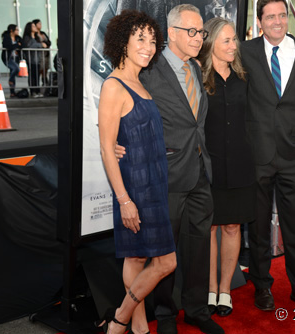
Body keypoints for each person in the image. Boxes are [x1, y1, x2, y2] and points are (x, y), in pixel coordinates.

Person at [118, 4, 224, 334]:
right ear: (173, 33)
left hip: (200, 173)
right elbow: (124, 104)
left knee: (197, 247)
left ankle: (195, 309)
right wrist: (116, 143)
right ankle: (165, 315)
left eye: (201, 32)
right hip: (166, 175)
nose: (198, 38)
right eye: (192, 32)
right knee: (165, 252)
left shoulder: (195, 68)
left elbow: (196, 122)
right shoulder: (148, 69)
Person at [240, 0, 295, 315]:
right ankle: (262, 285)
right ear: (259, 20)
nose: (277, 21)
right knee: (259, 227)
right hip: (257, 156)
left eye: (281, 15)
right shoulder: (244, 53)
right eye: (270, 16)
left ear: (288, 17)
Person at [97, 9, 177, 334]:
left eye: (152, 39)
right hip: (134, 188)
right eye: (140, 38)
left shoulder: (138, 81)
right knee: (165, 262)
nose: (148, 45)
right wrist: (124, 200)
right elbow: (106, 148)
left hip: (153, 184)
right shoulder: (114, 86)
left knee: (136, 261)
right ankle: (120, 319)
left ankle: (139, 329)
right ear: (123, 42)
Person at [197, 17, 255, 317]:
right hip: (209, 166)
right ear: (211, 44)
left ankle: (225, 290)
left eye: (235, 40)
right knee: (209, 229)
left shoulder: (244, 77)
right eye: (227, 41)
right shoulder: (196, 76)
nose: (234, 46)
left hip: (241, 164)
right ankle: (209, 289)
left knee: (233, 227)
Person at [22, 21, 46, 98]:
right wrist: (40, 45)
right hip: (31, 60)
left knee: (37, 76)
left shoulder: (37, 37)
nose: (35, 27)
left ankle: (37, 90)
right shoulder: (27, 37)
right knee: (32, 76)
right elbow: (29, 46)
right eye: (33, 26)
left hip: (38, 59)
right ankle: (33, 91)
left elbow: (45, 44)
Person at [1, 24, 22, 97]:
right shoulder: (6, 37)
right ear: (11, 30)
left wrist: (17, 45)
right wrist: (17, 45)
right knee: (16, 69)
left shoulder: (18, 38)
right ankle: (10, 80)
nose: (18, 31)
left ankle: (12, 92)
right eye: (16, 30)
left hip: (16, 57)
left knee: (13, 71)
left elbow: (23, 45)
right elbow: (8, 46)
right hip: (8, 58)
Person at [32, 19, 51, 86]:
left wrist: (45, 44)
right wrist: (42, 44)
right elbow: (37, 43)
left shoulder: (43, 33)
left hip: (46, 54)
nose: (40, 25)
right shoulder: (34, 35)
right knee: (40, 69)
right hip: (39, 55)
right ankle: (39, 84)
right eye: (39, 24)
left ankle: (45, 82)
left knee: (45, 68)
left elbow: (49, 42)